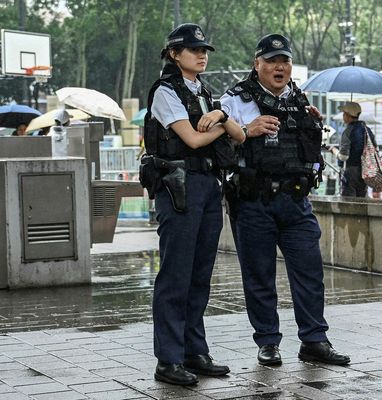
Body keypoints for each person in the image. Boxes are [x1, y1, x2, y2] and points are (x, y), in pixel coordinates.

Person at [221, 33, 350, 367]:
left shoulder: (299, 98)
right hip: (253, 201)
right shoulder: (235, 100)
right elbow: (218, 147)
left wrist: (313, 126)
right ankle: (267, 342)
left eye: (285, 61)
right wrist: (246, 128)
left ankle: (314, 341)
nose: (280, 67)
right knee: (259, 276)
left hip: (296, 201)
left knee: (310, 273)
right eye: (272, 61)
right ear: (257, 64)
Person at [143, 23, 245, 386]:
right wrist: (223, 122)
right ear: (174, 54)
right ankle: (168, 359)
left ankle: (194, 351)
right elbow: (193, 139)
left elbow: (242, 135)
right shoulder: (165, 91)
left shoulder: (204, 91)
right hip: (178, 188)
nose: (201, 54)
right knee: (175, 275)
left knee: (200, 274)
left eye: (204, 50)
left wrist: (222, 116)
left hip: (207, 186)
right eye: (193, 49)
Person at [331, 101, 375, 197]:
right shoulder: (367, 130)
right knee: (362, 201)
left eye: (344, 114)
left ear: (347, 115)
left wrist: (333, 150)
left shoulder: (348, 131)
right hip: (366, 171)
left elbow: (343, 156)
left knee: (348, 203)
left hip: (351, 171)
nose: (343, 116)